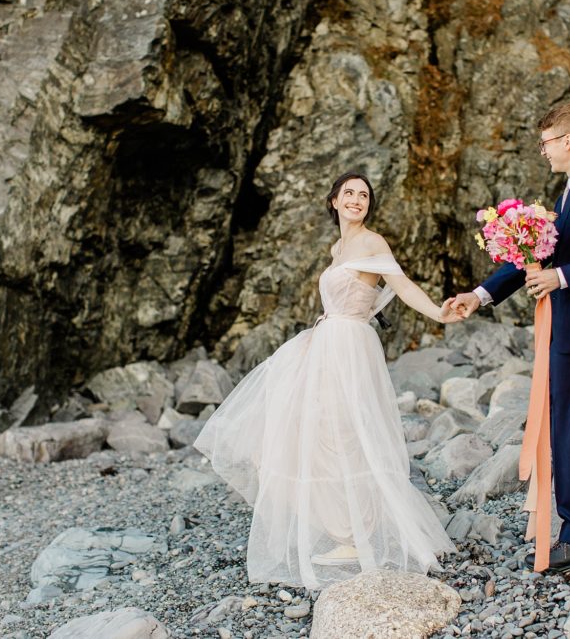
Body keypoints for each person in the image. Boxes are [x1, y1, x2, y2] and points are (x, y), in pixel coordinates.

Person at [195, 171, 459, 590]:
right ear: (334, 201)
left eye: (364, 195)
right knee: (308, 433)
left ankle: (359, 533)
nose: (357, 199)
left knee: (345, 435)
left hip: (348, 346)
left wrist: (439, 314)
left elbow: (401, 284)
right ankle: (343, 529)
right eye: (349, 193)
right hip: (325, 342)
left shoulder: (372, 242)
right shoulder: (339, 247)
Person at [450, 103, 570, 573]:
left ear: (569, 140)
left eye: (546, 142)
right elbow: (533, 256)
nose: (543, 151)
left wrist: (562, 278)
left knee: (567, 432)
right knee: (569, 429)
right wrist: (480, 294)